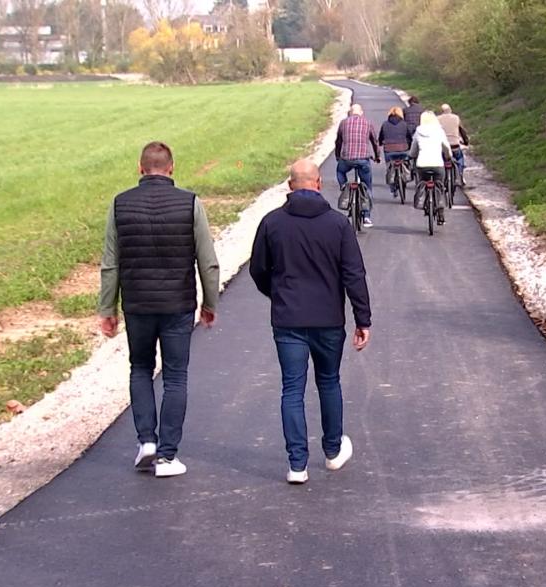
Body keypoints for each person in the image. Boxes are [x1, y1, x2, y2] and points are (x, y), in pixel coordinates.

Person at [98, 141, 220, 478]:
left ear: (140, 168)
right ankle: (168, 456)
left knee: (140, 368)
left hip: (137, 304)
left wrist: (107, 308)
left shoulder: (120, 204)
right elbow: (208, 262)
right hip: (178, 304)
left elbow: (111, 263)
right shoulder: (190, 203)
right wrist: (210, 303)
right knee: (176, 376)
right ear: (171, 168)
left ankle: (146, 442)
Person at [249, 159, 372, 485]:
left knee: (292, 388)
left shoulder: (272, 223)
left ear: (290, 186)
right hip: (329, 319)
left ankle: (297, 464)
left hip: (288, 318)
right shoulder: (337, 224)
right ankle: (332, 451)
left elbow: (258, 270)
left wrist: (277, 294)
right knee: (328, 381)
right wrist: (363, 318)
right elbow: (353, 274)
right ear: (319, 183)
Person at [335, 103, 381, 228]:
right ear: (361, 112)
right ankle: (366, 216)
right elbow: (375, 142)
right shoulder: (367, 123)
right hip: (363, 160)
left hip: (347, 159)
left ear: (350, 113)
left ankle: (344, 187)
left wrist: (338, 156)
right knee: (367, 186)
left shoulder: (343, 123)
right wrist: (377, 156)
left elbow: (338, 141)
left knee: (340, 171)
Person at [409, 110, 452, 223]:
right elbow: (446, 147)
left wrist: (412, 155)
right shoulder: (439, 131)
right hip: (437, 164)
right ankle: (441, 212)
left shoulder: (418, 131)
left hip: (422, 164)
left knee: (421, 183)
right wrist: (448, 156)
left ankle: (423, 201)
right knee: (440, 186)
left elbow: (414, 149)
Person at [378, 106, 413, 199]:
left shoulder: (385, 124)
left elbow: (381, 137)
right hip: (403, 149)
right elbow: (409, 136)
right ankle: (406, 176)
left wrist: (381, 143)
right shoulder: (405, 124)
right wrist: (408, 144)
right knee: (406, 163)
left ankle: (393, 188)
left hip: (389, 150)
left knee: (390, 168)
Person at [437, 103, 470, 187]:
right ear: (450, 110)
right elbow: (462, 131)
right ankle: (460, 173)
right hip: (455, 145)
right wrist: (466, 141)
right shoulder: (456, 118)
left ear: (441, 111)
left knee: (442, 159)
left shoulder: (438, 119)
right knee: (459, 157)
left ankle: (442, 177)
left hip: (443, 146)